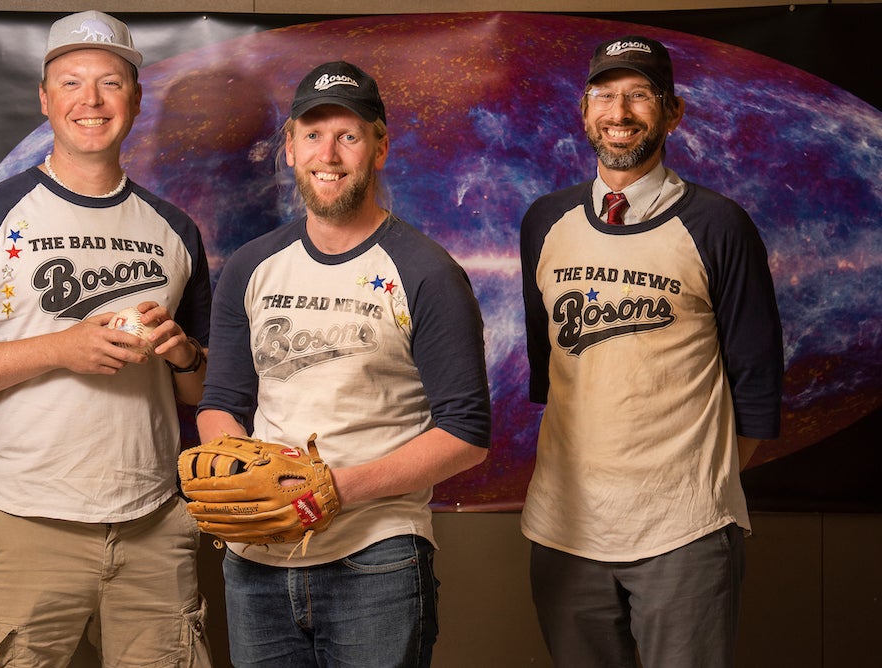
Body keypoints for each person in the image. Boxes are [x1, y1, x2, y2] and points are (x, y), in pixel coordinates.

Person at [0, 11, 213, 667]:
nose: (92, 101)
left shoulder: (174, 230)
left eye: (110, 83)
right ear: (45, 99)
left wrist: (183, 352)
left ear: (135, 99)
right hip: (26, 527)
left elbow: (199, 388)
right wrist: (60, 348)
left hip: (154, 529)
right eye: (72, 82)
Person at [196, 60, 492, 667]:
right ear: (289, 149)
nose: (327, 153)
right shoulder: (252, 268)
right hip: (257, 563)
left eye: (348, 136)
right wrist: (244, 480)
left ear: (379, 148)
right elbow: (221, 403)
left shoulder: (427, 272)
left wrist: (330, 491)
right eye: (312, 134)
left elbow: (466, 433)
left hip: (376, 560)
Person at [519, 35, 784, 667]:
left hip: (683, 533)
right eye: (605, 96)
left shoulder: (719, 224)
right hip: (566, 528)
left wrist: (691, 485)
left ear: (672, 112)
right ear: (583, 111)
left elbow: (756, 384)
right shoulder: (544, 222)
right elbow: (551, 372)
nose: (619, 112)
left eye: (640, 95)